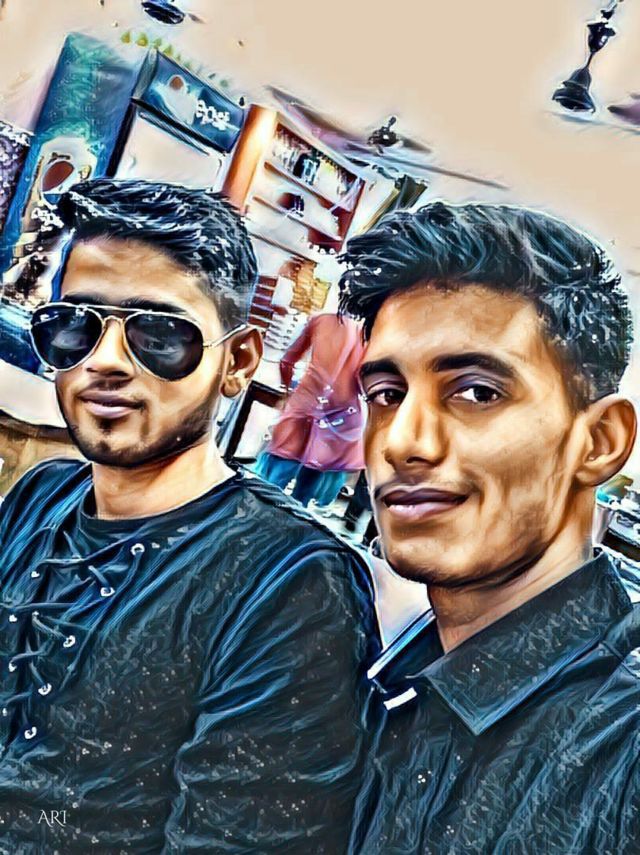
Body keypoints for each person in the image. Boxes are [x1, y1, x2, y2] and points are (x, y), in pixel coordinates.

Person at [0, 178, 379, 853]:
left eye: (158, 334)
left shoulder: (291, 585)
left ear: (238, 361)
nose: (104, 362)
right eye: (74, 326)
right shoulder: (41, 495)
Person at [340, 201, 640, 853]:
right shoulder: (387, 670)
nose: (403, 442)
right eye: (387, 394)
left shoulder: (620, 742)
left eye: (477, 392)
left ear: (598, 442)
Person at [255, 306, 366, 508]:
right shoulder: (371, 337)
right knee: (305, 495)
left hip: (305, 403)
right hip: (340, 418)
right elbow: (365, 385)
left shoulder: (321, 320)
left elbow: (287, 361)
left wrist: (287, 390)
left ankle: (256, 518)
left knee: (272, 482)